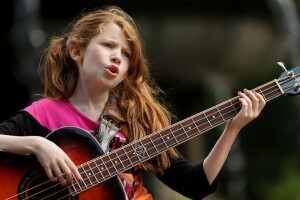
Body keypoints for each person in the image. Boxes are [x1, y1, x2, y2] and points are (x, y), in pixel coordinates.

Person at [0, 6, 266, 200]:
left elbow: (194, 185)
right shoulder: (46, 113)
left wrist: (232, 128)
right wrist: (36, 144)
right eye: (108, 45)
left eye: (126, 54)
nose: (117, 57)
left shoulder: (137, 123)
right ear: (77, 51)